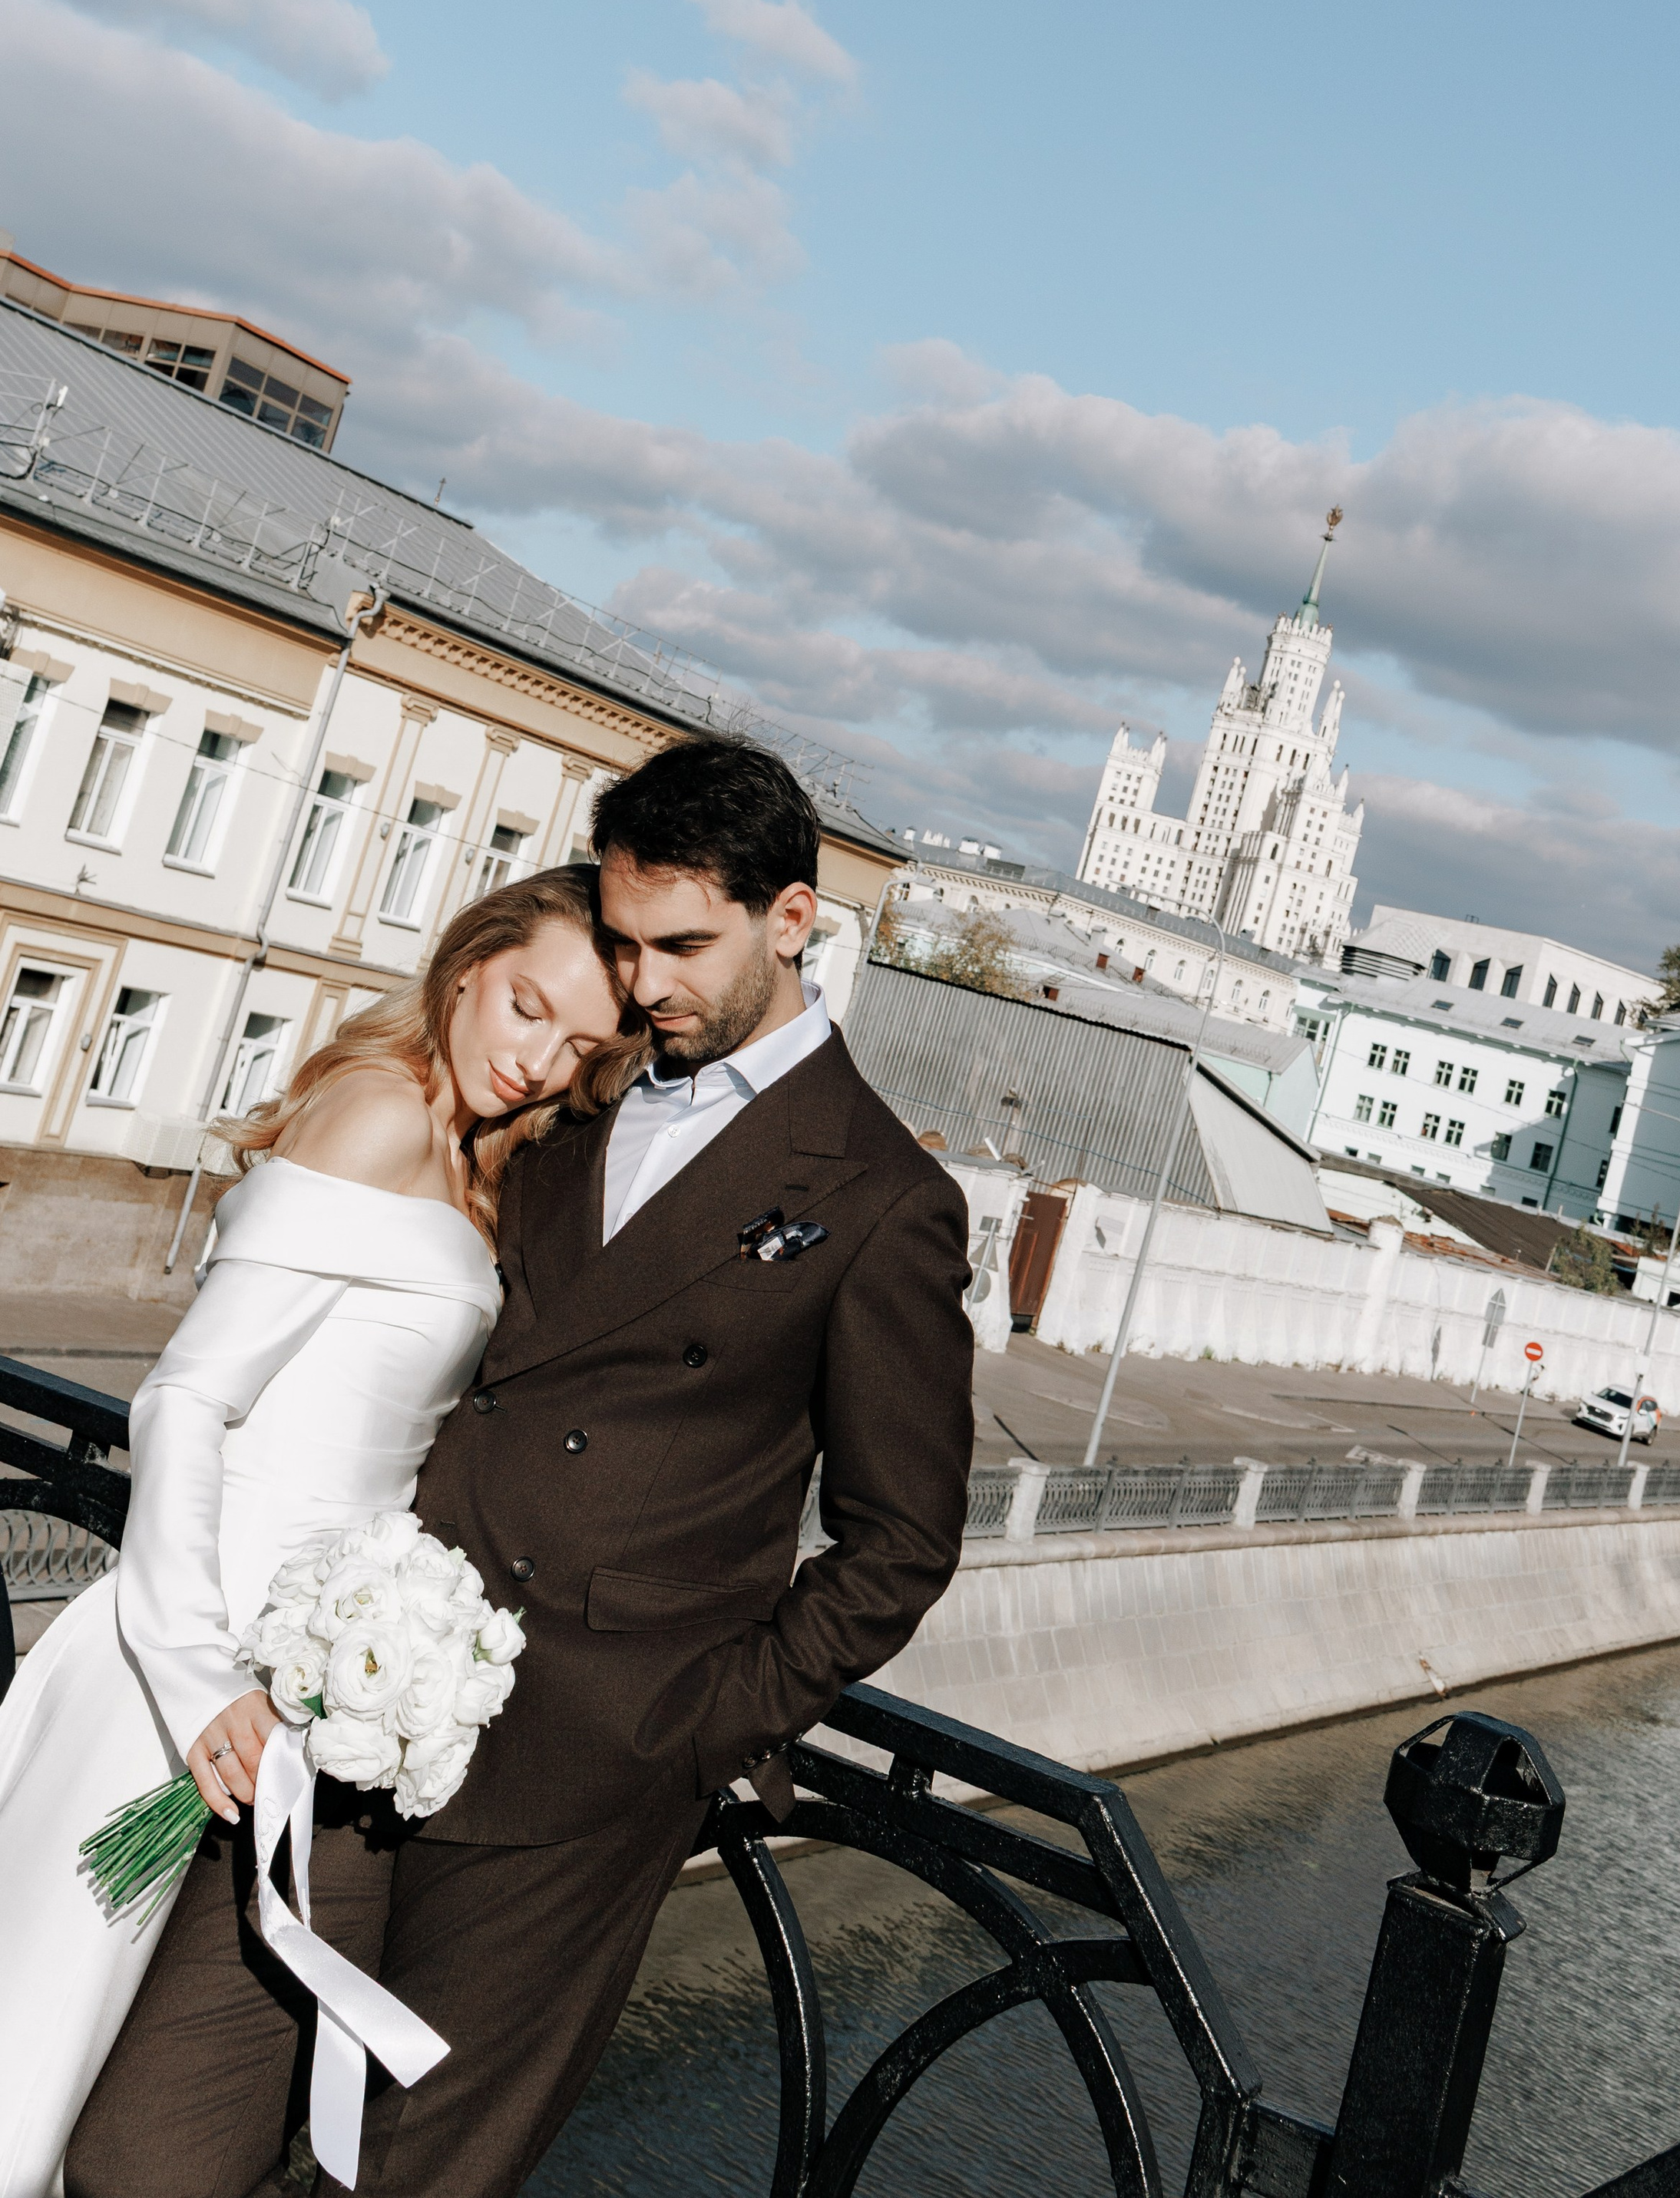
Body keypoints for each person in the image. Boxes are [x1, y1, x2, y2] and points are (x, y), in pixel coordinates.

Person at [71, 735, 977, 2198]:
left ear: (793, 920)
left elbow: (901, 1540)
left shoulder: (882, 1198)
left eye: (683, 945)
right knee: (155, 2142)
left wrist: (695, 1726)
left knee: (404, 2176)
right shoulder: (585, 1084)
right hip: (355, 1699)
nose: (644, 982)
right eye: (624, 943)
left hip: (584, 1762)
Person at [0, 867, 625, 2198]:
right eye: (526, 1008)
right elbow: (186, 1397)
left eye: (576, 1047)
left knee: (115, 2066)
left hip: (295, 1669)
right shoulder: (380, 1115)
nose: (536, 1061)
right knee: (36, 2039)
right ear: (468, 963)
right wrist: (191, 1668)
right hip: (193, 1659)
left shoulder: (469, 1148)